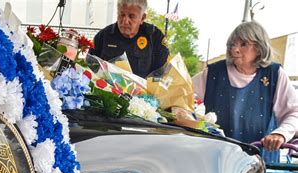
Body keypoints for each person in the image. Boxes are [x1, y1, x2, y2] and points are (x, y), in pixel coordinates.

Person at [193, 21, 298, 163]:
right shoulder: (212, 73)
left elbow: (293, 112)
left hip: (260, 162)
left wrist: (281, 134)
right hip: (216, 162)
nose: (235, 50)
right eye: (232, 45)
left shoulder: (275, 74)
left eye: (243, 44)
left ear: (259, 48)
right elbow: (184, 97)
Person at [88, 0, 169, 78]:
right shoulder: (103, 36)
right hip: (109, 90)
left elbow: (162, 74)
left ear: (142, 18)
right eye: (122, 15)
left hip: (144, 91)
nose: (125, 21)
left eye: (131, 16)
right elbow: (90, 68)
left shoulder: (155, 37)